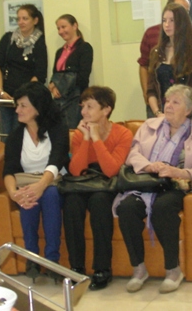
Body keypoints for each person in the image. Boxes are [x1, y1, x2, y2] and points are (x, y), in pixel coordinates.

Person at [115, 84, 192, 294]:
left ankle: (173, 270)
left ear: (188, 109)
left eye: (175, 102)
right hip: (145, 182)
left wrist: (177, 172)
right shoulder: (149, 126)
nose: (168, 106)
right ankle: (139, 269)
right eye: (167, 101)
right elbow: (133, 154)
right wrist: (149, 166)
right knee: (126, 208)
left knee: (163, 208)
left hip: (176, 186)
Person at [63, 86, 133, 290]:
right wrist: (86, 138)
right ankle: (76, 268)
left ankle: (102, 269)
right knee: (71, 202)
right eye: (82, 106)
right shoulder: (79, 134)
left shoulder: (123, 133)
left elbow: (111, 170)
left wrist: (96, 138)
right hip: (83, 182)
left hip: (107, 185)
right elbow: (76, 171)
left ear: (106, 109)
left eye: (89, 106)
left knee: (100, 201)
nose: (83, 111)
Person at [2, 82, 69, 280]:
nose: (17, 110)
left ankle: (52, 260)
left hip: (55, 183)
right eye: (17, 105)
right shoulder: (16, 136)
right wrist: (14, 193)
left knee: (49, 194)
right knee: (26, 195)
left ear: (38, 107)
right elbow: (9, 170)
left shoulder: (57, 128)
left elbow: (57, 159)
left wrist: (41, 185)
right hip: (28, 184)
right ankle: (31, 257)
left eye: (23, 105)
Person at [0, 5, 48, 138]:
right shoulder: (8, 39)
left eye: (25, 18)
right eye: (18, 19)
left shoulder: (40, 42)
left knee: (20, 137)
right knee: (4, 137)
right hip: (5, 97)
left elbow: (40, 74)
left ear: (35, 20)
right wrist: (0, 91)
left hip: (25, 99)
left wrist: (24, 97)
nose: (21, 22)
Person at [146, 2, 192, 116]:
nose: (167, 24)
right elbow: (151, 90)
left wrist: (186, 113)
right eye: (164, 20)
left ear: (182, 23)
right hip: (162, 115)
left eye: (172, 20)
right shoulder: (156, 52)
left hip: (190, 115)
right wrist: (158, 113)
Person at [138, 0, 191, 118]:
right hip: (157, 103)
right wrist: (147, 94)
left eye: (186, 11)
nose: (168, 24)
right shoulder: (151, 34)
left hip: (184, 108)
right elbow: (144, 66)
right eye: (165, 20)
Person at [49, 14, 93, 129]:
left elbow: (83, 77)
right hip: (59, 100)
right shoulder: (59, 51)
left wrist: (60, 85)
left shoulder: (85, 48)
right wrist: (53, 87)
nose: (60, 31)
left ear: (75, 26)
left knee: (73, 132)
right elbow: (55, 75)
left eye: (63, 27)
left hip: (75, 99)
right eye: (58, 28)